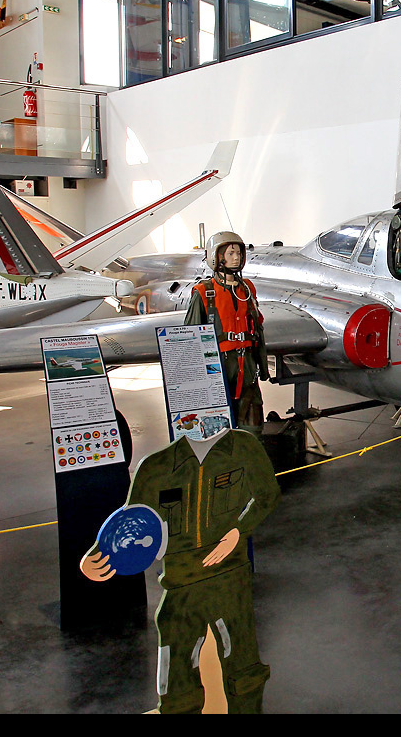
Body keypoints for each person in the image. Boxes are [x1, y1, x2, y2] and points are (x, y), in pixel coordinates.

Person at [80, 429, 280, 714]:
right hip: (181, 585)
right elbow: (130, 523)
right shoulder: (155, 468)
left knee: (244, 666)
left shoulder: (243, 448)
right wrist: (98, 555)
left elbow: (267, 496)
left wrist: (239, 530)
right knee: (175, 678)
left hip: (230, 578)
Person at [184, 232, 270, 430]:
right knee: (217, 423)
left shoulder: (247, 289)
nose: (237, 257)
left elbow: (257, 327)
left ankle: (248, 456)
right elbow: (191, 336)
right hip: (219, 365)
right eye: (231, 253)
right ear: (216, 256)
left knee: (253, 422)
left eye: (239, 253)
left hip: (247, 365)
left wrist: (262, 366)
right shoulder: (204, 292)